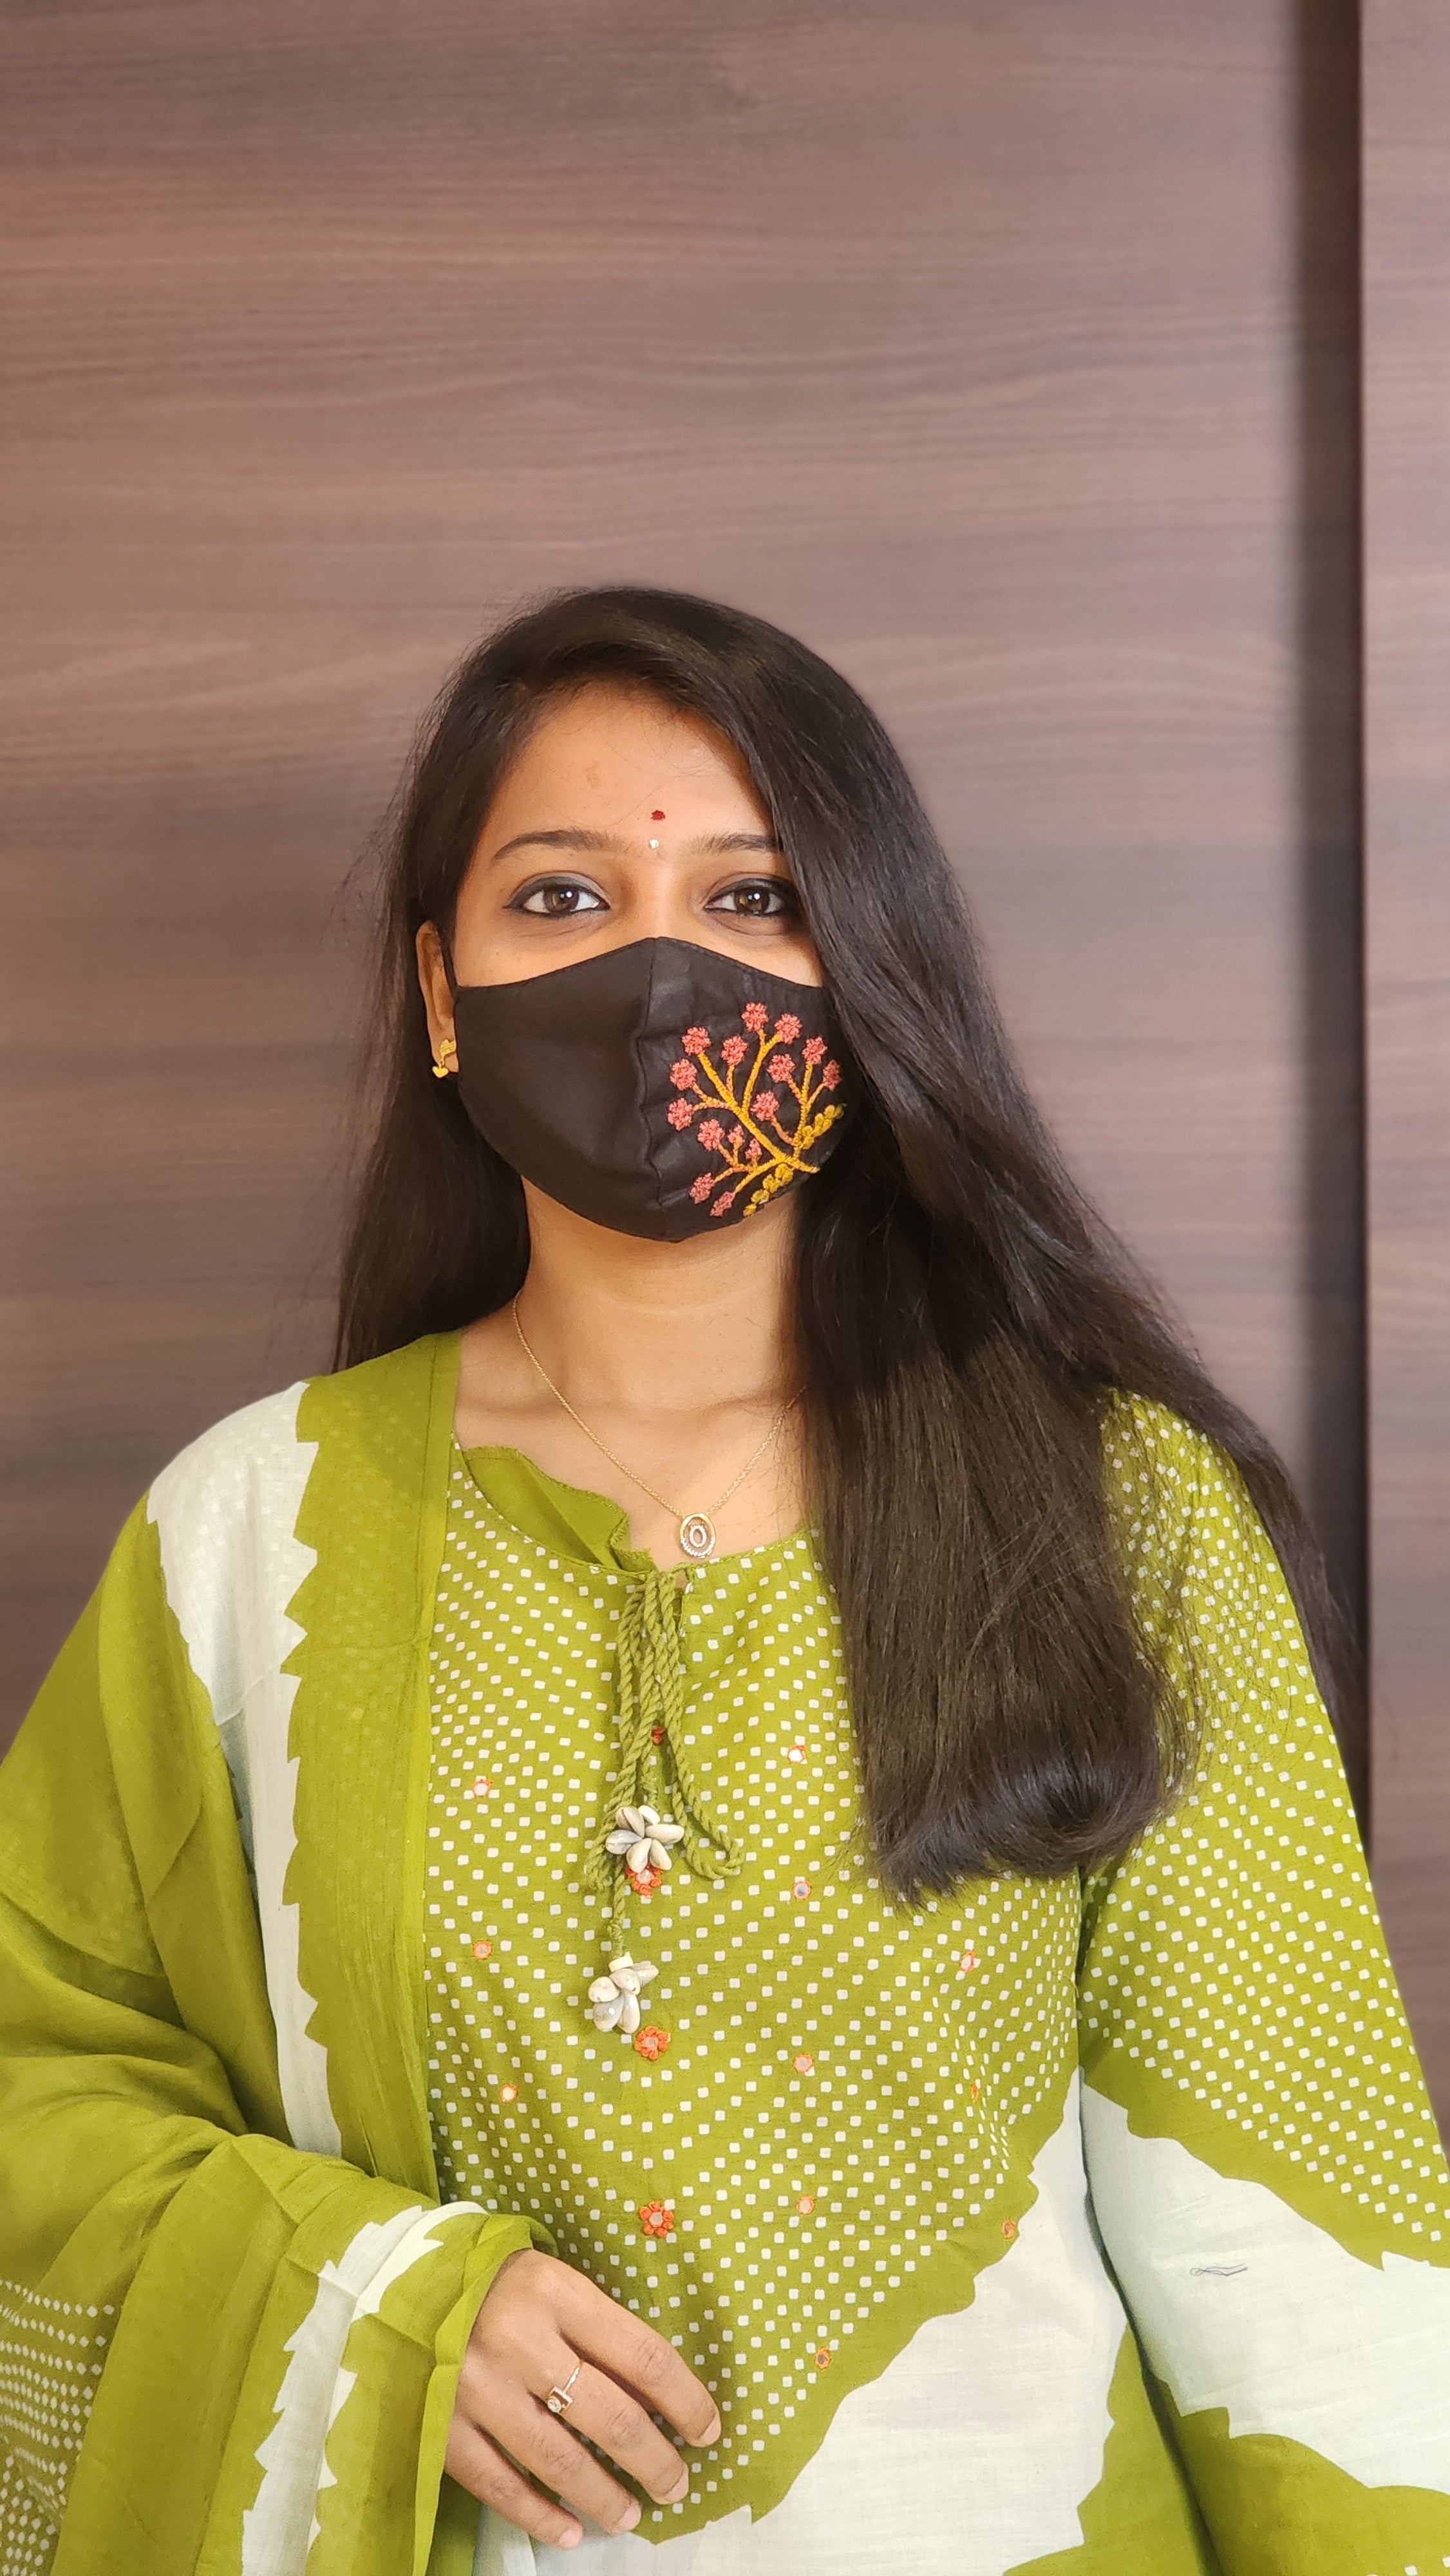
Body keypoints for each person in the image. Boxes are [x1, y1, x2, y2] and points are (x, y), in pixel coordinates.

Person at [2, 587, 1447, 2576]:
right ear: (441, 992)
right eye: (562, 899)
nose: (659, 977)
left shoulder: (1109, 1513)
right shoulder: (249, 1536)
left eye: (753, 901)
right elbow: (35, 2081)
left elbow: (1284, 2246)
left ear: (862, 971)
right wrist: (381, 2301)